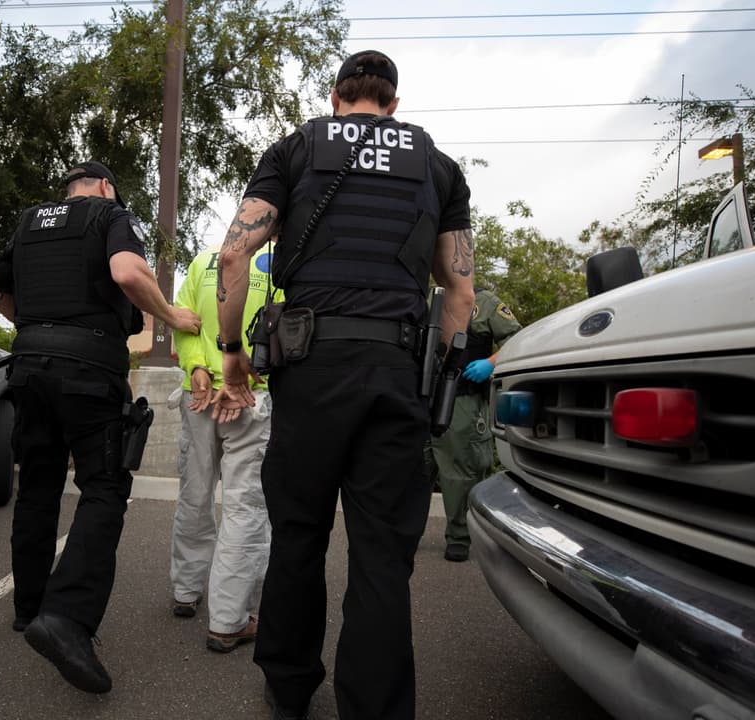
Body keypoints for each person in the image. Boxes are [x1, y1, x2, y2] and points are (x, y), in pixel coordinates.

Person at [212, 50, 475, 720]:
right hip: (397, 371)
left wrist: (231, 353)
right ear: (393, 103)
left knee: (298, 534)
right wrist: (438, 378)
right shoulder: (439, 167)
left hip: (310, 368)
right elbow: (460, 291)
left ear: (336, 97)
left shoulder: (296, 149)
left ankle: (290, 686)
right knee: (383, 552)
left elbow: (233, 253)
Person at [0, 161, 200, 695]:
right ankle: (66, 618)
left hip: (28, 367)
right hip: (88, 372)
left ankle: (28, 609)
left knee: (38, 486)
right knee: (104, 488)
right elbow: (127, 273)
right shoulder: (110, 215)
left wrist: (39, 330)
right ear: (106, 187)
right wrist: (171, 317)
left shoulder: (28, 221)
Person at [170, 243, 279, 653]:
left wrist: (197, 367)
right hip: (249, 397)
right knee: (244, 506)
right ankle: (229, 620)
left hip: (197, 395)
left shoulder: (204, 260)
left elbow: (184, 320)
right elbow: (286, 330)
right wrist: (243, 380)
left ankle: (185, 590)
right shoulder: (280, 264)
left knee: (194, 494)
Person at [424, 288, 522, 563]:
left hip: (462, 398)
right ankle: (407, 530)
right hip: (424, 397)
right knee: (416, 467)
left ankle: (459, 536)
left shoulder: (484, 302)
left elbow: (517, 338)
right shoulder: (430, 297)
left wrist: (491, 363)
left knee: (461, 470)